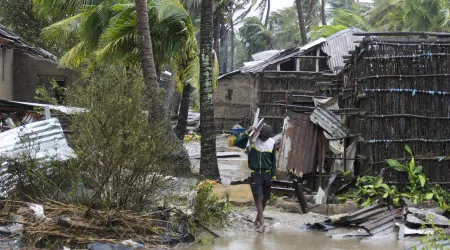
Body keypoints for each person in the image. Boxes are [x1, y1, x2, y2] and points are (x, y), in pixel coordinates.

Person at [235, 124, 276, 233]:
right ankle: (262, 223)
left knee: (265, 198)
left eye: (265, 136)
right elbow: (238, 143)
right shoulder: (252, 141)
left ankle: (258, 219)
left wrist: (274, 175)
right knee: (259, 197)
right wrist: (247, 132)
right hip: (256, 174)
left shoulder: (272, 142)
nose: (263, 138)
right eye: (262, 136)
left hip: (267, 174)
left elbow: (273, 160)